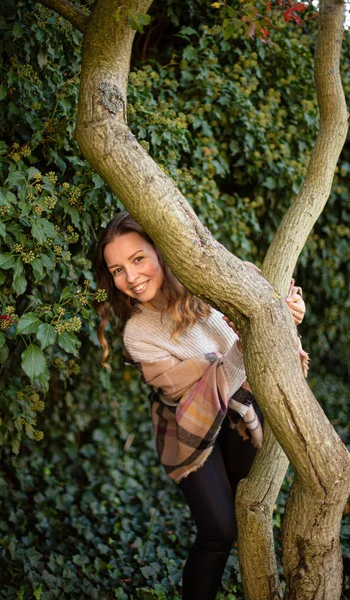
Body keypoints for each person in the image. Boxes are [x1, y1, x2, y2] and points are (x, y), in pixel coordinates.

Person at [94, 211, 306, 600]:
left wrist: (290, 312)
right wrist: (246, 344)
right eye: (118, 269)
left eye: (138, 259)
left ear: (160, 251)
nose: (132, 277)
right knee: (218, 530)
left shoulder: (211, 278)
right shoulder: (138, 334)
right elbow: (192, 394)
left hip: (243, 412)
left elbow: (271, 304)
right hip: (188, 425)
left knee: (248, 509)